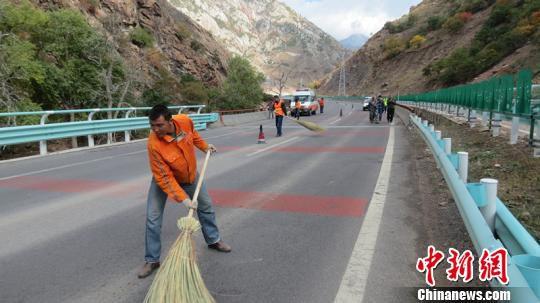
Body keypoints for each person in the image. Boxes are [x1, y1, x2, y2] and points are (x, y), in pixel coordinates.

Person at [138, 104, 231, 279]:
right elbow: (164, 177)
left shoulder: (184, 122)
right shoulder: (154, 144)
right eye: (152, 126)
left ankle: (213, 240)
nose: (155, 130)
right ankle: (152, 260)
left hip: (189, 175)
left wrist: (204, 146)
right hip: (163, 179)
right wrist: (184, 200)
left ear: (170, 121)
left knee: (206, 206)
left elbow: (193, 136)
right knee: (153, 217)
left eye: (159, 125)